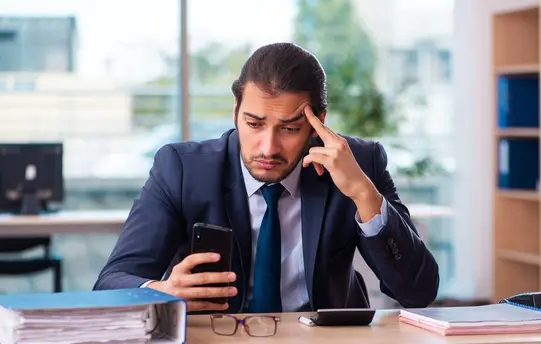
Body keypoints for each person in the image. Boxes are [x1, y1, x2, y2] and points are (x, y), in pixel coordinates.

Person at [93, 42, 439, 313]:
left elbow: (417, 292)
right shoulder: (182, 169)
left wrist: (364, 194)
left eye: (289, 128)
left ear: (319, 121)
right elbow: (111, 283)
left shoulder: (359, 164)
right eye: (254, 124)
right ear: (235, 111)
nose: (268, 147)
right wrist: (161, 291)